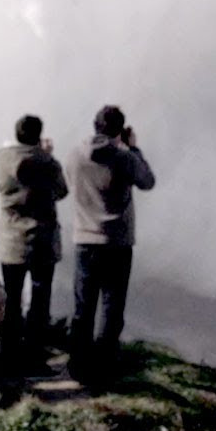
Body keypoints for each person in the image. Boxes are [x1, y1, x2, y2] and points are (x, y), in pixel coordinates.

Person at [65, 105, 155, 383]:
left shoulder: (75, 155)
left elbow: (68, 182)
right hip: (116, 242)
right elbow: (147, 181)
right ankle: (104, 367)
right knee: (111, 307)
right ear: (119, 130)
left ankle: (78, 366)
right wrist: (133, 148)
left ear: (95, 125)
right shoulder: (124, 158)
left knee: (83, 307)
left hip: (84, 239)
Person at [0, 114, 68, 373]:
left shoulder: (2, 158)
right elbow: (61, 191)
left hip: (10, 240)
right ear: (38, 136)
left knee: (12, 298)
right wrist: (47, 154)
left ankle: (8, 355)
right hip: (41, 242)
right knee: (39, 300)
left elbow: (0, 185)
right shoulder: (47, 163)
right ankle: (34, 358)